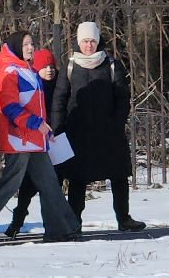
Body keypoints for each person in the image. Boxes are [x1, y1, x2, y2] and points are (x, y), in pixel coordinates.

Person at [0, 32, 82, 242]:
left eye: (32, 43)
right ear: (15, 47)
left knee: (49, 183)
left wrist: (43, 129)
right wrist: (36, 124)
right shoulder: (9, 72)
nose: (30, 47)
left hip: (34, 139)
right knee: (8, 185)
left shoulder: (29, 71)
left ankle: (62, 229)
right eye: (26, 44)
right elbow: (10, 107)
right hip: (18, 139)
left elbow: (34, 106)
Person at [54, 22, 146, 232]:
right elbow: (60, 99)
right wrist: (58, 129)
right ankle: (74, 221)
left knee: (118, 175)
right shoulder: (70, 66)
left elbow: (122, 98)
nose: (89, 45)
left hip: (108, 131)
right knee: (78, 179)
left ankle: (123, 218)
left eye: (92, 41)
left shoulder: (112, 65)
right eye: (85, 41)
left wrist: (116, 122)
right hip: (78, 133)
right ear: (79, 42)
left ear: (98, 42)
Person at [3, 46, 62, 238]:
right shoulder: (32, 85)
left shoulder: (61, 86)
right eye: (44, 67)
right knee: (27, 187)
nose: (49, 70)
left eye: (51, 66)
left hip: (56, 140)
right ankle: (18, 220)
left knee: (53, 185)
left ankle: (53, 225)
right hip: (34, 140)